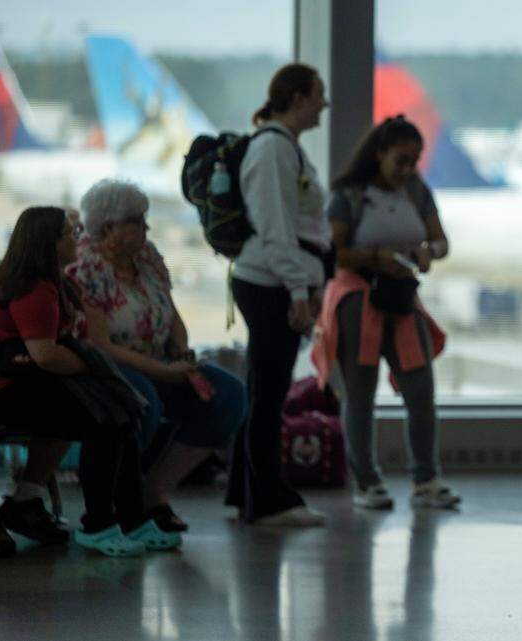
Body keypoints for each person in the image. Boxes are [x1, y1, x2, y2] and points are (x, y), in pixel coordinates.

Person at [0, 206, 181, 556]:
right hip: (9, 390)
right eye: (70, 233)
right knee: (105, 420)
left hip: (29, 383)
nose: (79, 238)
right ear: (49, 244)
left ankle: (132, 519)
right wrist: (88, 365)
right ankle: (98, 525)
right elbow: (45, 355)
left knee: (122, 414)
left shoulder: (55, 283)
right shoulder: (32, 288)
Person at [67, 179, 247, 533]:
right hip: (109, 367)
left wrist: (179, 347)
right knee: (141, 401)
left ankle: (156, 492)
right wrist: (163, 372)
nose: (146, 227)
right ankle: (119, 503)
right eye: (137, 221)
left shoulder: (146, 257)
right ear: (109, 227)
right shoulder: (86, 268)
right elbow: (100, 345)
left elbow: (171, 312)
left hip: (160, 361)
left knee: (228, 395)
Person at [311, 116, 460, 510]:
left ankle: (425, 478)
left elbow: (440, 240)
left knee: (420, 390)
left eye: (414, 161)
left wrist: (429, 252)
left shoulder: (416, 191)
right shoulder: (349, 195)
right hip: (358, 298)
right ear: (379, 155)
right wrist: (375, 258)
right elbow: (334, 251)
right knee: (360, 394)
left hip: (401, 298)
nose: (408, 170)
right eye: (401, 161)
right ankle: (366, 479)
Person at [226, 63, 333, 526]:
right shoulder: (272, 149)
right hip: (270, 283)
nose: (324, 104)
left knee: (262, 389)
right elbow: (276, 228)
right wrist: (298, 291)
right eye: (318, 94)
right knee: (270, 393)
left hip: (277, 281)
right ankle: (269, 499)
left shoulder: (286, 148)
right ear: (296, 97)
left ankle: (244, 490)